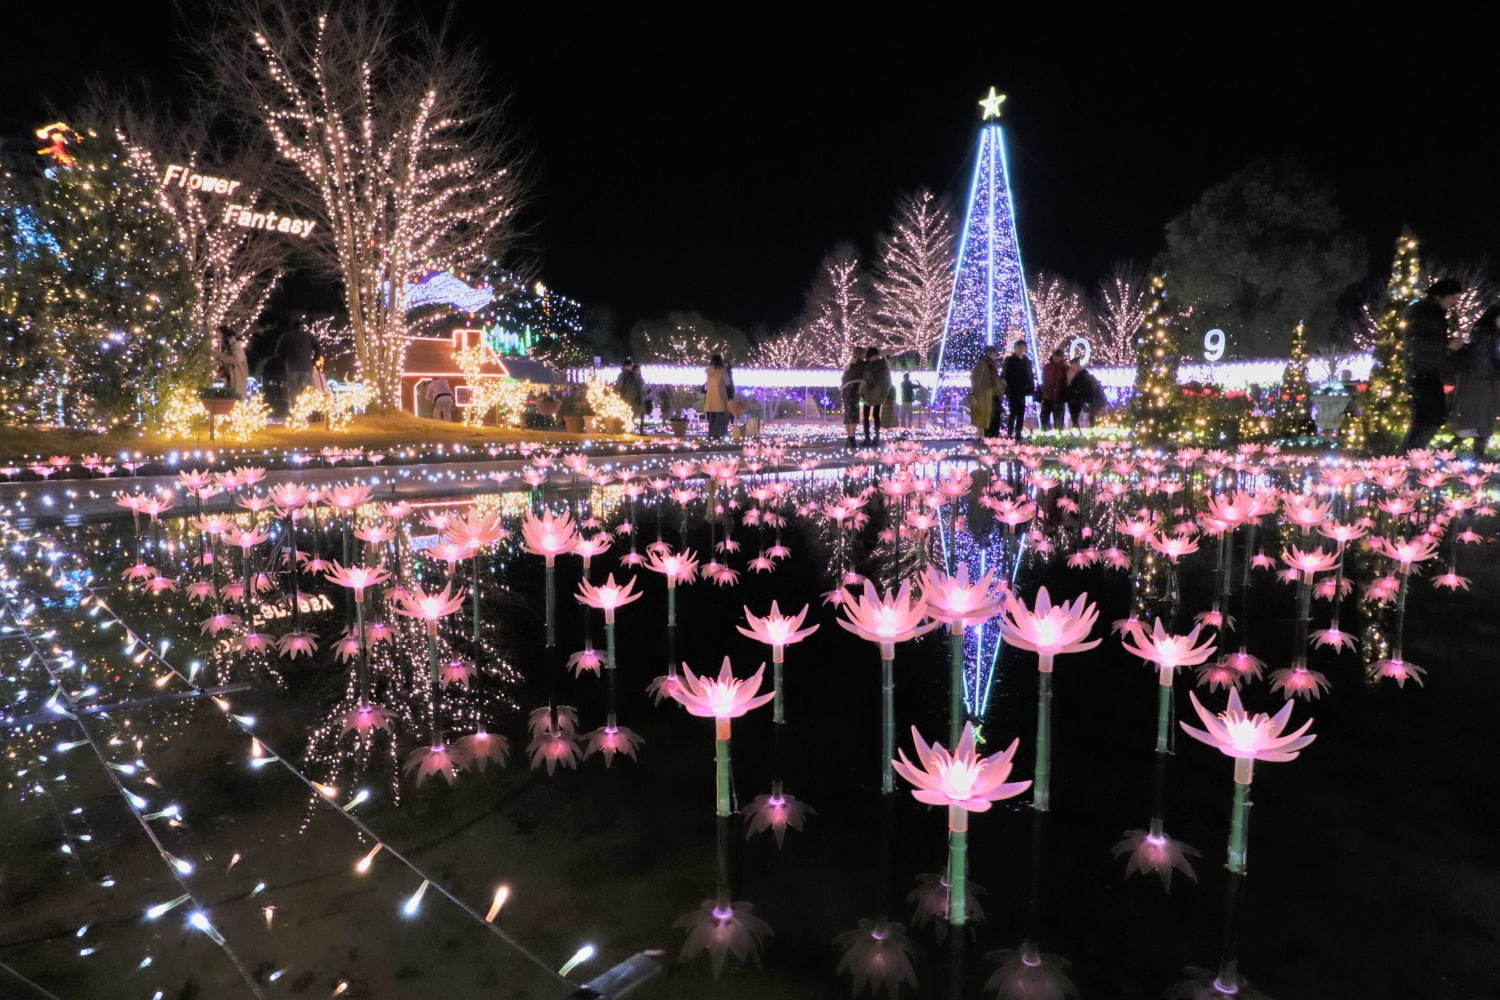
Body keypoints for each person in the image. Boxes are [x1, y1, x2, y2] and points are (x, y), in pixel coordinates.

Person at [1401, 278, 1464, 451]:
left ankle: (1411, 453)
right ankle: (1410, 453)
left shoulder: (1434, 314)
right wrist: (1447, 345)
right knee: (1432, 415)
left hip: (1429, 371)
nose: (1455, 303)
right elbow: (1418, 342)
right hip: (1423, 372)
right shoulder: (1426, 313)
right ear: (1441, 296)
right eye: (1454, 298)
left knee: (1427, 416)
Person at [1452, 304, 1500, 458]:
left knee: (1479, 419)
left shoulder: (1484, 334)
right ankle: (1475, 454)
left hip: (1482, 381)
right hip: (1484, 381)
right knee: (1482, 418)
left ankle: (1471, 452)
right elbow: (1486, 361)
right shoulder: (1489, 336)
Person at [276, 321, 320, 404]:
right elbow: (318, 348)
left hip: (292, 368)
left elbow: (278, 352)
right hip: (306, 368)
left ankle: (295, 411)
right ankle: (306, 411)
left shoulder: (287, 336)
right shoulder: (309, 336)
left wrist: (285, 360)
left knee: (293, 392)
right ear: (302, 327)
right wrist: (314, 360)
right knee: (306, 391)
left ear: (292, 327)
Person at [1001, 340, 1035, 439]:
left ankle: (1018, 432)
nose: (1021, 350)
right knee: (1013, 412)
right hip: (1012, 389)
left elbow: (1030, 375)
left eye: (1022, 348)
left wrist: (1031, 388)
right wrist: (1006, 388)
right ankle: (1010, 432)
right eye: (1019, 348)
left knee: (1021, 412)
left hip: (1023, 390)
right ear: (1015, 348)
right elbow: (1004, 374)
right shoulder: (1009, 360)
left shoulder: (1027, 361)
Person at [861, 346, 893, 446]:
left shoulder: (867, 365)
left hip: (870, 393)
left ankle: (870, 437)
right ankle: (874, 436)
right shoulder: (881, 364)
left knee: (869, 415)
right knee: (874, 415)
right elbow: (886, 379)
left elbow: (863, 378)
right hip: (875, 393)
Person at [969, 347, 1001, 437]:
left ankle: (986, 435)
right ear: (990, 354)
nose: (996, 356)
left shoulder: (990, 364)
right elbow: (976, 379)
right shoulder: (985, 365)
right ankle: (987, 436)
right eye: (994, 354)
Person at [1065, 360, 1105, 428]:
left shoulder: (1082, 377)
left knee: (1091, 417)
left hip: (1095, 400)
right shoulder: (1084, 375)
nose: (1071, 371)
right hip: (1097, 399)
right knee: (1091, 416)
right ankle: (1092, 430)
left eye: (1072, 369)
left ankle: (1091, 431)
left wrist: (1069, 382)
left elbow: (1079, 390)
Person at [840, 348, 867, 448]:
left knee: (849, 412)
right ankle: (852, 438)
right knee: (854, 412)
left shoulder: (850, 363)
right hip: (854, 388)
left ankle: (850, 437)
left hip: (845, 389)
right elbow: (866, 376)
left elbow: (844, 377)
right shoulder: (862, 364)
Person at [212, 326, 248, 399]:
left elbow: (236, 359)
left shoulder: (235, 345)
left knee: (236, 399)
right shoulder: (224, 346)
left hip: (237, 380)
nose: (216, 335)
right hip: (229, 379)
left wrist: (219, 356)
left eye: (218, 333)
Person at [1039, 348, 1069, 430]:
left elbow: (1067, 382)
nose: (1057, 358)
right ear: (1053, 356)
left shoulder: (1065, 368)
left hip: (1059, 397)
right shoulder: (1047, 367)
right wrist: (1044, 392)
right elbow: (1044, 380)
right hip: (1047, 397)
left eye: (1059, 356)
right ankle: (1045, 434)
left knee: (1058, 419)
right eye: (1055, 356)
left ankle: (1058, 436)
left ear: (1062, 357)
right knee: (1044, 417)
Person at [614, 358, 647, 433]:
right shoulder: (626, 375)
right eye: (631, 365)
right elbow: (621, 386)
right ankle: (627, 429)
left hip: (633, 397)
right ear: (627, 366)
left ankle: (631, 430)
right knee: (631, 414)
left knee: (636, 413)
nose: (632, 367)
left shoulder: (629, 375)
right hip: (629, 398)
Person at [703, 353, 731, 439]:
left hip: (710, 400)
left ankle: (711, 435)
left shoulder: (708, 371)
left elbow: (706, 384)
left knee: (712, 419)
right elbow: (727, 382)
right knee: (721, 419)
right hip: (720, 399)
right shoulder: (722, 371)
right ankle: (721, 434)